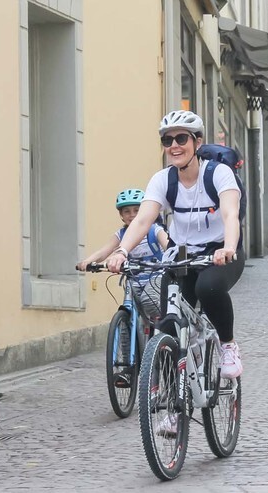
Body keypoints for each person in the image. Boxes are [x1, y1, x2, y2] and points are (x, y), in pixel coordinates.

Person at [105, 110, 245, 383]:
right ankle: (168, 404)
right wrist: (122, 250)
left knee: (208, 287)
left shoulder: (219, 174)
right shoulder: (163, 180)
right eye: (167, 141)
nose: (174, 146)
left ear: (197, 143)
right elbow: (143, 219)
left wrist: (228, 248)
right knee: (167, 325)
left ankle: (228, 345)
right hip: (181, 257)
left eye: (181, 138)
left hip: (219, 252)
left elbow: (230, 213)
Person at [77, 189, 169, 355]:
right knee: (126, 325)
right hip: (133, 280)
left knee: (150, 301)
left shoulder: (154, 230)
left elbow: (168, 246)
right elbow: (105, 251)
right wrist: (88, 261)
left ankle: (166, 330)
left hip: (155, 278)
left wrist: (172, 256)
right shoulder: (122, 234)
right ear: (121, 215)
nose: (132, 215)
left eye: (136, 210)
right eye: (126, 211)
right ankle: (127, 369)